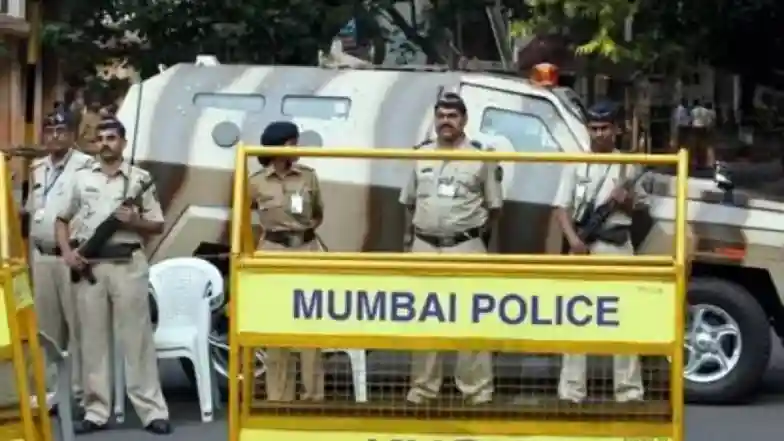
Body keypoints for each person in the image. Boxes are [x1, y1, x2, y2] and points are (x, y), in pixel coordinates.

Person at [55, 118, 172, 434]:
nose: (106, 143)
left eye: (112, 137)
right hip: (90, 266)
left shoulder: (139, 179)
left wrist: (134, 220)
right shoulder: (80, 178)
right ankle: (96, 411)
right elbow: (61, 219)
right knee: (93, 341)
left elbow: (157, 224)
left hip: (128, 264)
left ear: (123, 142)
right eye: (101, 138)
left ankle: (152, 411)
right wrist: (67, 253)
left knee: (137, 340)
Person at [399, 92, 503, 405]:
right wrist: (408, 241)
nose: (446, 121)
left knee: (471, 318)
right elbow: (409, 202)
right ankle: (423, 388)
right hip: (424, 246)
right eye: (441, 115)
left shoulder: (481, 158)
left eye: (453, 116)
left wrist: (476, 239)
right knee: (424, 318)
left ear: (464, 120)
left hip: (465, 245)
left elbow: (495, 207)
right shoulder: (420, 155)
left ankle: (476, 390)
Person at [554, 101, 646, 403]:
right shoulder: (577, 163)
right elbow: (562, 208)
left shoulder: (627, 165)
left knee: (624, 317)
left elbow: (640, 209)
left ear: (616, 130)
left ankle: (628, 391)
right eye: (594, 129)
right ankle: (572, 391)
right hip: (583, 245)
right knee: (576, 318)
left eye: (604, 128)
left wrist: (625, 199)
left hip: (616, 246)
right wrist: (574, 241)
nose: (599, 134)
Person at [251, 121, 325, 402]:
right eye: (291, 143)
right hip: (273, 251)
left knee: (309, 322)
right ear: (276, 147)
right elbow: (246, 212)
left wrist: (301, 232)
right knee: (276, 323)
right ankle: (279, 396)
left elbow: (318, 213)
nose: (296, 148)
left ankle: (312, 396)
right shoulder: (256, 182)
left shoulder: (308, 177)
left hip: (306, 250)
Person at [27, 109, 94, 403]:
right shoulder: (37, 168)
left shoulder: (86, 167)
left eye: (61, 130)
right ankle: (51, 394)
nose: (54, 136)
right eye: (49, 130)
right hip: (41, 256)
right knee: (46, 329)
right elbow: (32, 211)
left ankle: (81, 394)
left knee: (78, 326)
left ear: (72, 134)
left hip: (71, 255)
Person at [691, 100, 715, 166]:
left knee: (696, 143)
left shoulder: (693, 111)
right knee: (703, 143)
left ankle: (696, 160)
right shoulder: (706, 111)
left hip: (695, 127)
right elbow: (707, 121)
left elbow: (691, 119)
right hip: (703, 127)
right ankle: (703, 160)